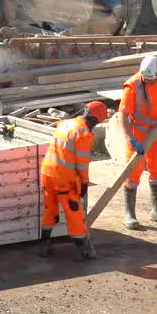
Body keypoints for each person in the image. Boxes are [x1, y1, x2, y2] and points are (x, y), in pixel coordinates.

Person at [37, 100, 109, 261]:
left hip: (47, 172)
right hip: (63, 178)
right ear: (95, 119)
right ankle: (84, 248)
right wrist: (84, 182)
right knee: (73, 212)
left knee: (50, 209)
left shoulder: (66, 123)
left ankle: (43, 245)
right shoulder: (83, 134)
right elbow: (82, 163)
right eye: (97, 122)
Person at [119, 56, 157, 230]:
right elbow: (123, 115)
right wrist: (131, 138)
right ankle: (129, 214)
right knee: (132, 173)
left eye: (152, 79)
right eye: (146, 79)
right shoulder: (132, 86)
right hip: (138, 134)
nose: (149, 82)